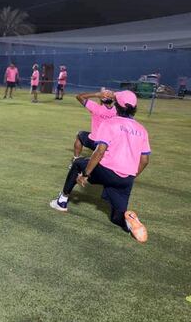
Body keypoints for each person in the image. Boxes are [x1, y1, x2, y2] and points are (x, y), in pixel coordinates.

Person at [49, 90, 150, 243]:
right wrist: (132, 176)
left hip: (107, 171)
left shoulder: (110, 123)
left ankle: (61, 201)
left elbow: (99, 151)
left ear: (117, 105)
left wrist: (86, 174)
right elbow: (144, 160)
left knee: (77, 164)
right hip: (126, 178)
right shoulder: (142, 130)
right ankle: (129, 223)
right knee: (116, 217)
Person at [73, 88, 117, 164]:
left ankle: (75, 159)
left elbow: (79, 96)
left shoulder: (96, 108)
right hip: (110, 144)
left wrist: (96, 94)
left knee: (80, 135)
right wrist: (114, 95)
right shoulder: (117, 111)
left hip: (94, 141)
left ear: (101, 99)